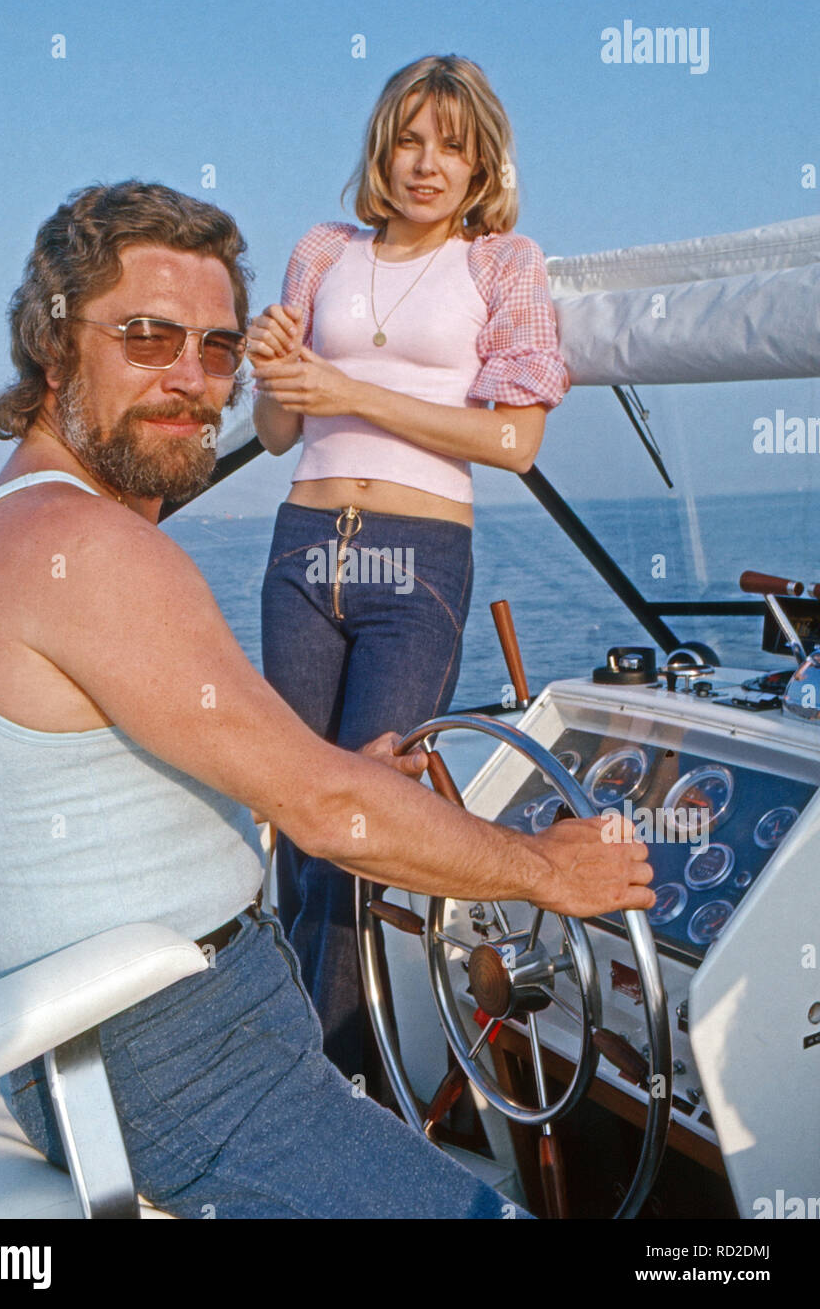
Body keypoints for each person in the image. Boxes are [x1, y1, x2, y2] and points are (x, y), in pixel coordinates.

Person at [0, 180, 652, 1219]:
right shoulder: (86, 547)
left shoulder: (18, 520)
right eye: (146, 337)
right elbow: (328, 815)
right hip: (179, 1069)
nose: (191, 380)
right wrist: (550, 868)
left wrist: (344, 778)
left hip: (116, 1046)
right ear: (53, 346)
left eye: (218, 349)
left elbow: (247, 777)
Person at [249, 55, 569, 1082]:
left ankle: (347, 1088)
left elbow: (514, 440)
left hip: (417, 561)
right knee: (297, 830)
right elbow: (273, 434)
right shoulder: (320, 250)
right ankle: (299, 1072)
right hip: (302, 551)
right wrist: (274, 377)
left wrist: (349, 385)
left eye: (452, 145)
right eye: (408, 139)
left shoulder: (503, 264)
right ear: (380, 148)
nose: (426, 164)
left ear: (480, 166)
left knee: (361, 830)